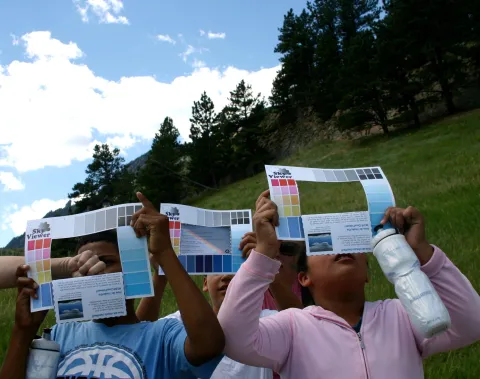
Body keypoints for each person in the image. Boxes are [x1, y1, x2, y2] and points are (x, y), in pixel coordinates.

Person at [217, 190, 480, 379]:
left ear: (367, 273)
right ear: (304, 277)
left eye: (350, 242)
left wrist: (421, 251)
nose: (340, 248)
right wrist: (263, 254)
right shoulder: (292, 327)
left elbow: (471, 323)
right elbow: (235, 339)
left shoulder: (402, 314)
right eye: (324, 244)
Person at [0, 192, 224, 379]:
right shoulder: (60, 334)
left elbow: (209, 344)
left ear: (132, 270)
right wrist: (22, 331)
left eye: (106, 262)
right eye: (80, 266)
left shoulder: (162, 335)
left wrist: (164, 253)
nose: (91, 270)